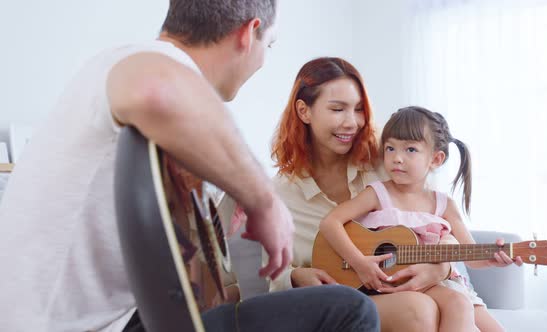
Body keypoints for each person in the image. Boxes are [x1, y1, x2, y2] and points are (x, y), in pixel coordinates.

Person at [0, 1, 379, 332]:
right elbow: (154, 90)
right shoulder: (144, 63)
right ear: (250, 34)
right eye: (270, 44)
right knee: (349, 310)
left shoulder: (116, 72)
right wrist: (266, 203)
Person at [270, 57, 454, 332]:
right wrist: (297, 276)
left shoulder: (388, 160)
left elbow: (438, 219)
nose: (352, 122)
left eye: (358, 109)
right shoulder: (281, 193)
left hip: (399, 283)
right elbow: (272, 275)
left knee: (447, 307)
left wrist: (441, 268)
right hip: (336, 298)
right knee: (417, 310)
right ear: (304, 111)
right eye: (337, 109)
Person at [319, 106, 524, 332]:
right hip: (396, 282)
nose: (397, 158)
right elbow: (330, 223)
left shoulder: (444, 205)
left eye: (410, 150)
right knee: (458, 303)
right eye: (390, 148)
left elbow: (471, 257)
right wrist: (359, 262)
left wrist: (494, 258)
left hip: (439, 282)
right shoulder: (377, 193)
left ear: (436, 159)